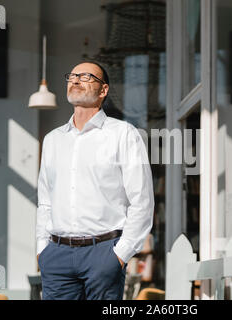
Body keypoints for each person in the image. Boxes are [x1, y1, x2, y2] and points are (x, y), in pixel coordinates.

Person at [35, 61, 154, 300]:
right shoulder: (52, 140)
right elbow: (45, 201)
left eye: (86, 77)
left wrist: (119, 255)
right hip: (56, 255)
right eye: (73, 76)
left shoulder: (123, 134)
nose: (76, 80)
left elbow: (141, 201)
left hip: (104, 253)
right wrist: (42, 250)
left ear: (103, 90)